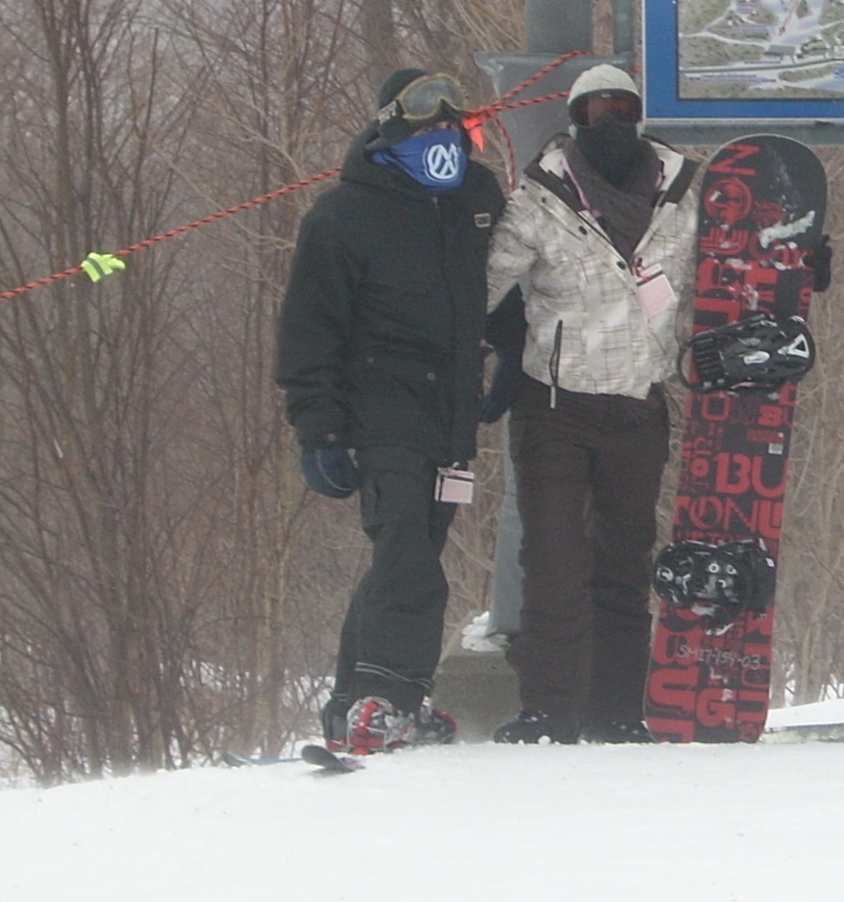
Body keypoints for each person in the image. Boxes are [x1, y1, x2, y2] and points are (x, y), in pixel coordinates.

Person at [277, 68, 505, 755]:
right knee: (407, 553)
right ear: (390, 130)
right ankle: (392, 700)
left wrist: (503, 365)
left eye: (451, 126)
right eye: (426, 126)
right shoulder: (344, 216)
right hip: (379, 410)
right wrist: (317, 427)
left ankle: (355, 700)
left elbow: (504, 291)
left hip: (449, 414)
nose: (441, 138)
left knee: (405, 553)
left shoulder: (478, 197)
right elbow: (309, 330)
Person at [481, 65, 703, 745]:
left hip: (639, 402)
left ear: (641, 114)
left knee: (624, 560)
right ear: (572, 120)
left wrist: (801, 260)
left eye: (623, 108)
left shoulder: (684, 192)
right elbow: (480, 284)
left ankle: (617, 708)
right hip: (557, 405)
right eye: (592, 112)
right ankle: (550, 706)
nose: (609, 124)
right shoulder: (541, 197)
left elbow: (735, 260)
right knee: (553, 562)